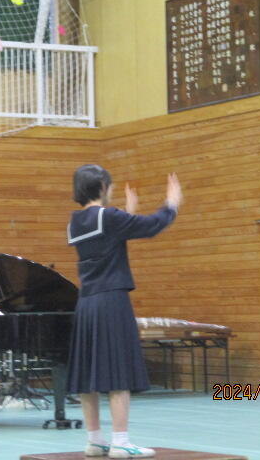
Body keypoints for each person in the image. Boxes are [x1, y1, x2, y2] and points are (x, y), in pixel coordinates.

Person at [66, 165, 182, 459]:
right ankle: (120, 441)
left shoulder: (75, 222)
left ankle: (95, 440)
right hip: (111, 301)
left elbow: (107, 238)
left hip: (86, 302)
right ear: (102, 186)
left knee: (87, 375)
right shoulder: (109, 217)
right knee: (118, 371)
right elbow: (152, 225)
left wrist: (127, 213)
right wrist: (171, 204)